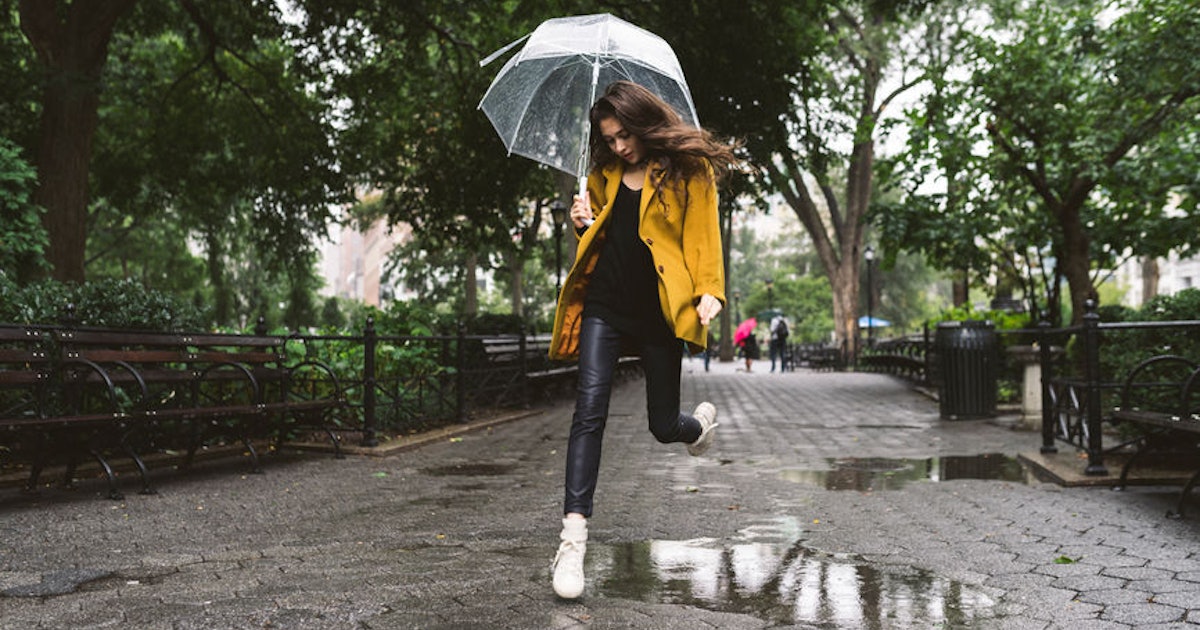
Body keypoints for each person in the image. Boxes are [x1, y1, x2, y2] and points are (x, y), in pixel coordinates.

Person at [546, 80, 738, 600]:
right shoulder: (602, 175)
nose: (619, 147)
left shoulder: (688, 171)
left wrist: (711, 293)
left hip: (659, 313)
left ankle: (694, 428)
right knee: (589, 411)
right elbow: (597, 236)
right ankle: (573, 539)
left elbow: (704, 238)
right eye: (609, 139)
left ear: (643, 122)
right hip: (605, 306)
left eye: (624, 135)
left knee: (661, 424)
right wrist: (581, 222)